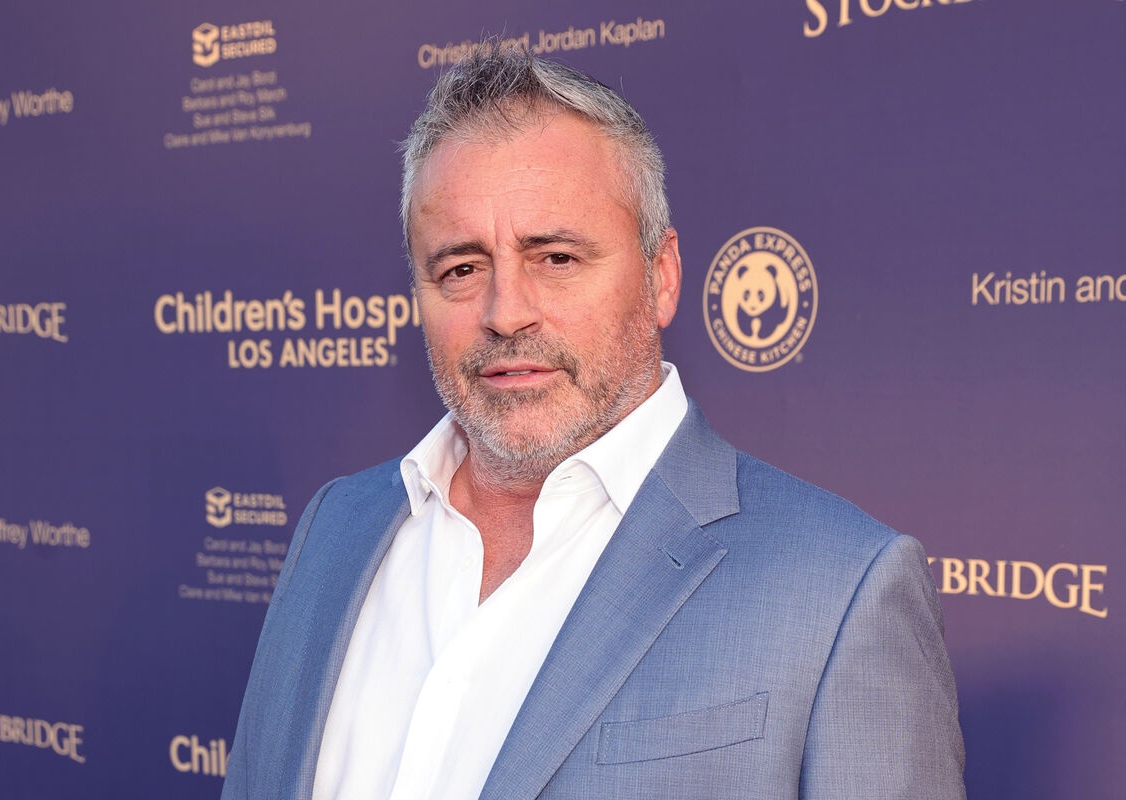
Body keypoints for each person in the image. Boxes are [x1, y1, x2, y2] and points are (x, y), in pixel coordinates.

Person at [222, 45, 965, 800]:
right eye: (461, 269)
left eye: (556, 258)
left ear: (661, 276)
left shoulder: (839, 591)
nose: (506, 311)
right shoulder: (334, 528)